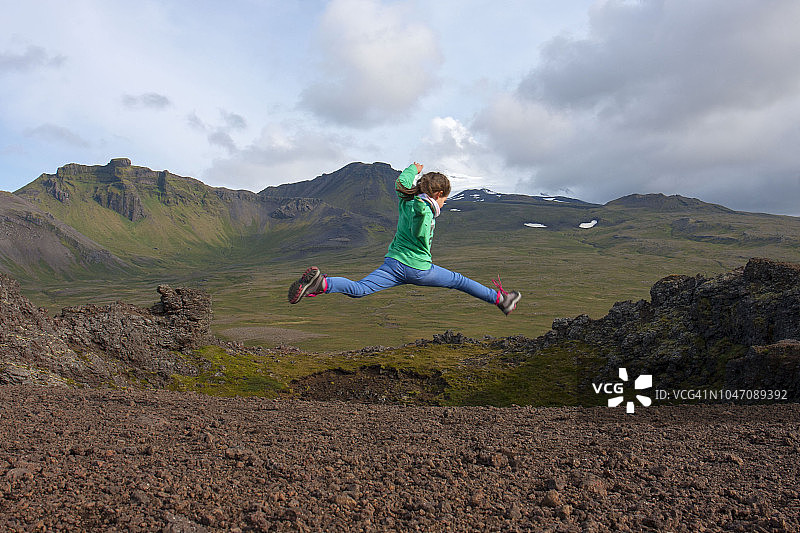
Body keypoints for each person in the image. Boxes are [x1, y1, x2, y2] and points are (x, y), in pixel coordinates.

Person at [288, 162, 521, 315]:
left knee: (360, 289)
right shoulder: (424, 211)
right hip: (418, 269)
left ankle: (323, 284)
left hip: (393, 264)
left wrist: (413, 168)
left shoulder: (405, 198)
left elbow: (401, 182)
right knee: (458, 280)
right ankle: (502, 300)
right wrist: (425, 214)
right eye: (444, 199)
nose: (444, 203)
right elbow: (421, 230)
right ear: (437, 195)